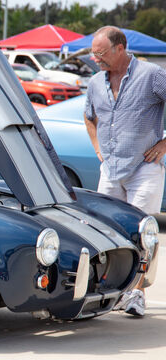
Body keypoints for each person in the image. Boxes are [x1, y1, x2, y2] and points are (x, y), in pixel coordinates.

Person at [84, 26, 166, 317]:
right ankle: (113, 290)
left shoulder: (151, 75)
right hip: (111, 169)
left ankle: (136, 294)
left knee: (140, 233)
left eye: (101, 53)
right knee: (106, 233)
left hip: (144, 168)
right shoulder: (95, 82)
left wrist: (165, 143)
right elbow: (89, 116)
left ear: (120, 48)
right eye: (94, 54)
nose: (96, 59)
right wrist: (98, 150)